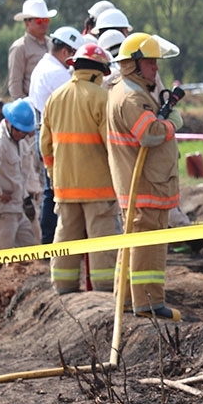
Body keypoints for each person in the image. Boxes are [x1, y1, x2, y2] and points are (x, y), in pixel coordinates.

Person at [106, 32, 184, 321]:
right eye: (151, 63)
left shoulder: (128, 90)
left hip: (141, 184)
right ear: (134, 64)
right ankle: (149, 302)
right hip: (147, 186)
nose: (156, 68)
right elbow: (148, 134)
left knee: (133, 242)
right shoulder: (132, 97)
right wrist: (171, 123)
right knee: (148, 246)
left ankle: (127, 300)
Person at [41, 43, 118, 294]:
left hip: (65, 187)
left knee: (66, 236)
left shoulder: (55, 98)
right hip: (99, 188)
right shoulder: (102, 98)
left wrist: (54, 176)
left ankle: (63, 285)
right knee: (101, 239)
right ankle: (104, 288)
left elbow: (45, 146)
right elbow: (113, 146)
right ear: (98, 72)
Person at [29, 26, 86, 244]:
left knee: (51, 188)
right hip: (56, 136)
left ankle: (49, 240)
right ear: (65, 52)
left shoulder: (43, 66)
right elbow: (76, 102)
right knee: (56, 191)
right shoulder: (57, 74)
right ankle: (52, 239)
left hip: (45, 132)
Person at [0, 99, 40, 252]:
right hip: (1, 209)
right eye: (18, 130)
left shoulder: (18, 140)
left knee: (30, 246)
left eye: (24, 131)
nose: (21, 134)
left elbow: (22, 169)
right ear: (8, 122)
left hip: (16, 206)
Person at [8, 0, 56, 100]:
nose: (44, 24)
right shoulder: (20, 47)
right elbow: (15, 83)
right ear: (27, 23)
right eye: (39, 21)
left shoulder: (53, 44)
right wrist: (24, 106)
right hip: (32, 103)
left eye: (46, 20)